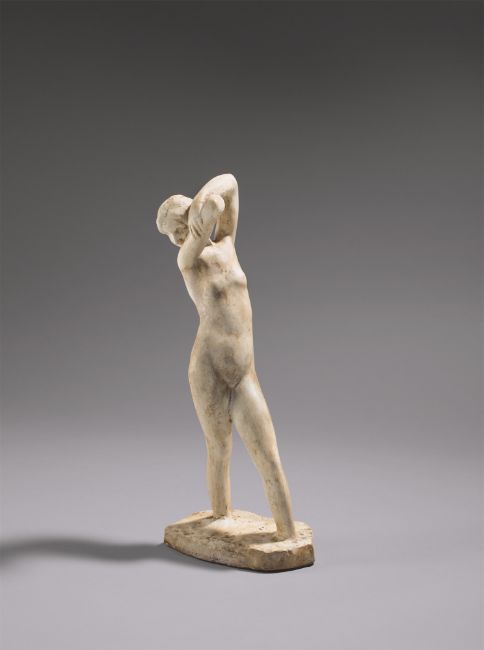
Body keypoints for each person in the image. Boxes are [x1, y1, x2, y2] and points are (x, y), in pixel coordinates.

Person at [156, 174, 296, 540]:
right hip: (208, 369)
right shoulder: (188, 261)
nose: (176, 238)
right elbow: (206, 222)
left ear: (189, 217)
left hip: (244, 372)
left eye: (178, 228)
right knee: (219, 448)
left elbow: (229, 185)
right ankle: (220, 515)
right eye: (171, 234)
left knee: (268, 455)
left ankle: (287, 534)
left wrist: (203, 201)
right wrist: (202, 215)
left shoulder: (228, 244)